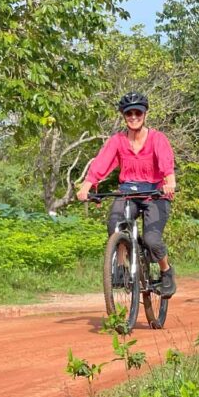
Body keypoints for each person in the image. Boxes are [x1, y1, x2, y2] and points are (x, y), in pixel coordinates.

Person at [76, 92, 178, 297]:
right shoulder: (117, 141)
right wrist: (86, 186)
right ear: (124, 116)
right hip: (128, 191)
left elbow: (166, 163)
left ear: (145, 114)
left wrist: (170, 182)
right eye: (128, 113)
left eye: (137, 113)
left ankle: (166, 271)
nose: (133, 117)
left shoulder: (157, 138)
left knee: (152, 239)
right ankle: (121, 267)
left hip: (154, 193)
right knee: (115, 223)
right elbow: (101, 163)